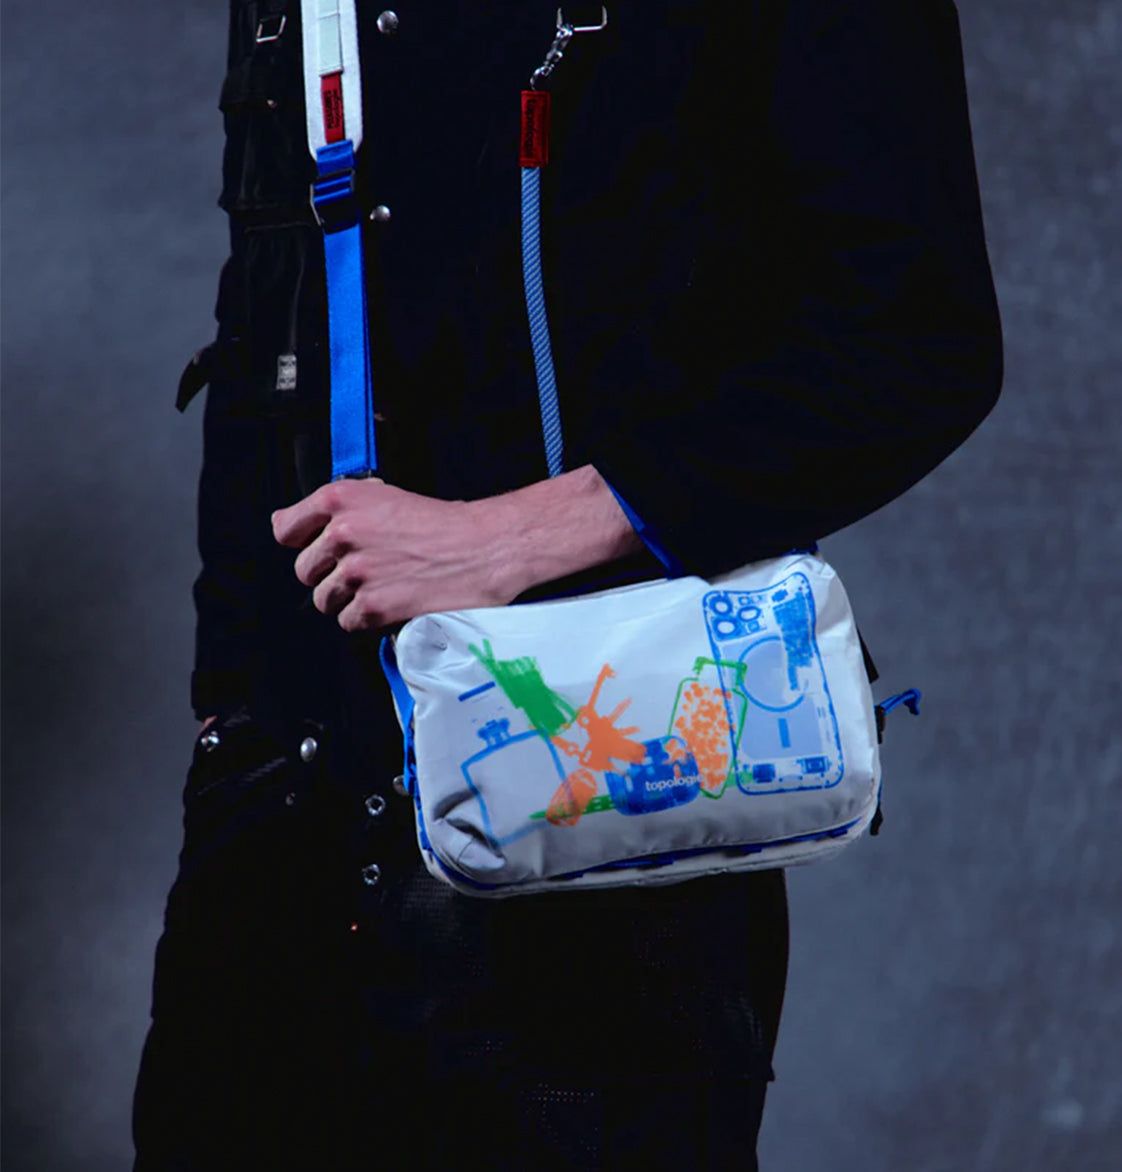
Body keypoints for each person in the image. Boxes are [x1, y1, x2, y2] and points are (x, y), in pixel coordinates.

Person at [132, 2, 1002, 1169]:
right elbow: (264, 327)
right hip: (284, 828)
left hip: (590, 840)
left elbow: (915, 335)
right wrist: (226, 719)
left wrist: (511, 539)